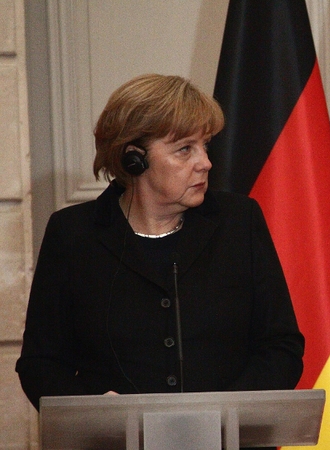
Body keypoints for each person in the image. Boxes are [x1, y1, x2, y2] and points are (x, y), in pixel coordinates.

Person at [16, 74, 304, 411]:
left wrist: (226, 413)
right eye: (185, 149)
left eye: (205, 146)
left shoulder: (239, 222)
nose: (206, 162)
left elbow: (281, 346)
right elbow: (40, 363)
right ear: (133, 159)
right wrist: (93, 408)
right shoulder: (73, 234)